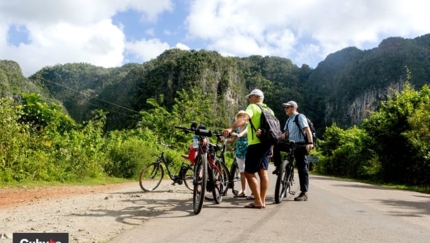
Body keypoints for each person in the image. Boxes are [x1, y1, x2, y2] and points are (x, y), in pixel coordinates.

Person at [222, 89, 272, 209]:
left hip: (255, 144)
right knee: (263, 173)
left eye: (250, 97)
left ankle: (258, 201)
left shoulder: (253, 107)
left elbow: (244, 119)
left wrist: (230, 128)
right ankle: (262, 201)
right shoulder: (270, 110)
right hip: (267, 144)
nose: (249, 99)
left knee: (248, 173)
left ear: (255, 97)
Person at [272, 101, 313, 201]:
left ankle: (304, 192)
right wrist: (275, 140)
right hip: (291, 144)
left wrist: (310, 143)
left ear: (293, 108)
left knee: (302, 168)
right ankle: (279, 167)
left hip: (300, 145)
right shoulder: (289, 120)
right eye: (285, 107)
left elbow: (307, 130)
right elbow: (285, 134)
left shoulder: (300, 117)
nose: (285, 109)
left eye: (287, 107)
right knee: (276, 146)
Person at [225, 110, 249, 198]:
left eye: (242, 116)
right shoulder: (236, 129)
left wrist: (239, 135)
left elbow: (245, 132)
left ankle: (254, 192)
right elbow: (231, 140)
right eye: (239, 116)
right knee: (242, 172)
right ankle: (244, 191)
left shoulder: (248, 125)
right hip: (239, 151)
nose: (240, 117)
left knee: (250, 172)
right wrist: (224, 140)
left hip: (248, 149)